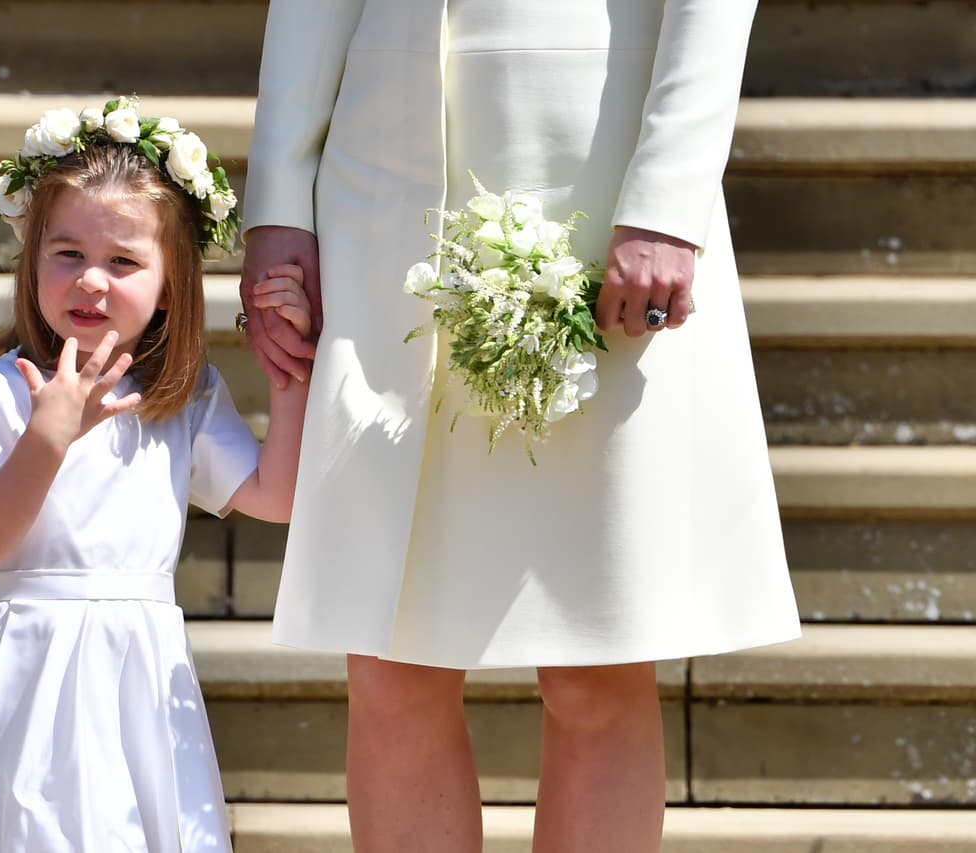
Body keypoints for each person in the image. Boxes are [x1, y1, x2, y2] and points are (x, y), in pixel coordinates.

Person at [239, 2, 800, 851]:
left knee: (598, 662)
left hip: (594, 163)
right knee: (389, 663)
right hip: (381, 169)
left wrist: (669, 193)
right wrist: (278, 193)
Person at [0, 99, 311, 853]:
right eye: (67, 254)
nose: (91, 280)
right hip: (12, 686)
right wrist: (47, 435)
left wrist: (291, 377)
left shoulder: (179, 399)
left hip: (132, 698)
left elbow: (277, 496)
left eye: (123, 261)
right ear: (33, 262)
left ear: (171, 284)